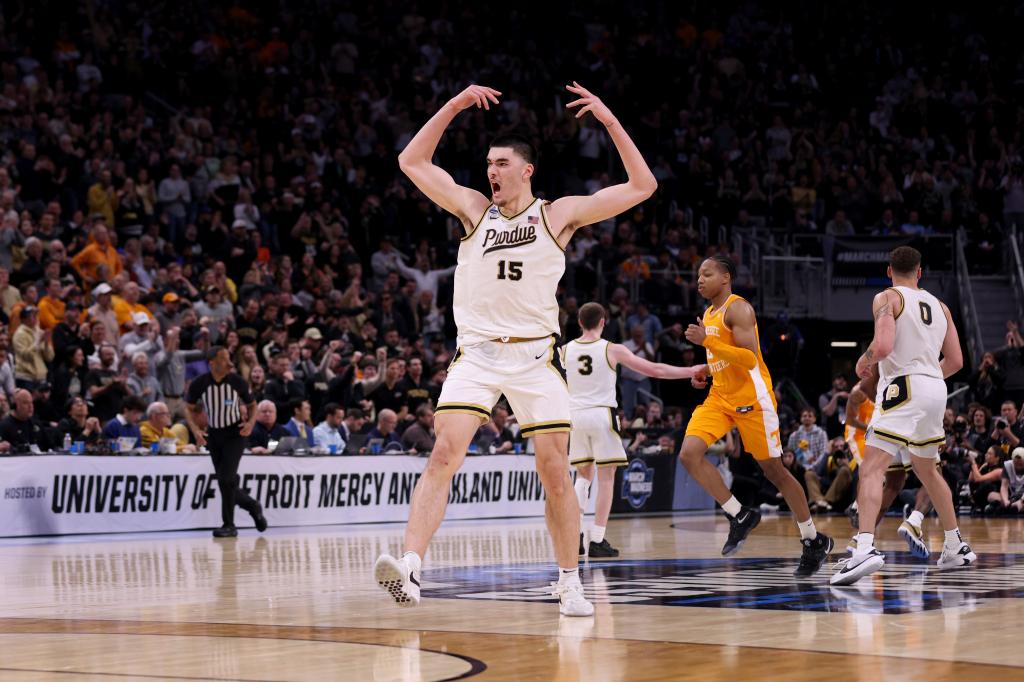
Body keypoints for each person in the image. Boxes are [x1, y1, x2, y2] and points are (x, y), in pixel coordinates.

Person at [375, 82, 657, 617]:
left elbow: (643, 185)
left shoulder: (558, 216)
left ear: (526, 170)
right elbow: (411, 159)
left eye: (501, 163)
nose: (491, 172)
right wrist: (456, 105)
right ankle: (411, 568)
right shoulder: (473, 211)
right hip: (477, 355)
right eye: (488, 163)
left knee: (554, 467)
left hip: (534, 358)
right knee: (442, 453)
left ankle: (569, 580)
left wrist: (610, 120)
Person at [679, 255, 833, 577]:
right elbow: (725, 359)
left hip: (753, 399)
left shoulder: (739, 309)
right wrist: (707, 370)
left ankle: (812, 539)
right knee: (689, 455)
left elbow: (749, 358)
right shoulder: (708, 313)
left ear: (726, 278)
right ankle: (739, 515)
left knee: (775, 471)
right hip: (720, 397)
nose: (699, 280)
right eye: (697, 275)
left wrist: (707, 341)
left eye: (706, 273)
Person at [831, 246, 975, 586]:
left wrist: (863, 362)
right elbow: (956, 362)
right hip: (935, 388)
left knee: (872, 468)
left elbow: (882, 346)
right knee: (927, 468)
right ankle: (954, 544)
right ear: (920, 272)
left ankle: (864, 547)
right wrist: (928, 380)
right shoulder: (942, 307)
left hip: (902, 386)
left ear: (889, 270)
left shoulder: (887, 297)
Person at [565, 301, 706, 558]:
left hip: (574, 416)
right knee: (606, 479)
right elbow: (655, 369)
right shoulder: (612, 349)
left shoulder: (565, 351)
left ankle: (573, 536)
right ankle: (597, 540)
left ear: (579, 323)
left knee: (582, 477)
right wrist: (691, 370)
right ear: (603, 322)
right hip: (601, 414)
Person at [185, 346, 267, 538]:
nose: (229, 362)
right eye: (224, 359)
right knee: (225, 483)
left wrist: (250, 424)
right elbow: (188, 408)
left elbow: (253, 405)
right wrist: (196, 430)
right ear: (212, 362)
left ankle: (229, 525)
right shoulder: (200, 383)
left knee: (226, 479)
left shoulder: (237, 382)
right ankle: (252, 506)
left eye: (229, 358)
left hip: (235, 434)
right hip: (214, 435)